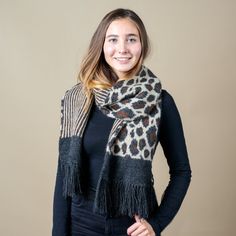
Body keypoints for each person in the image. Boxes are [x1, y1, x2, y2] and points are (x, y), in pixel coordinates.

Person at [52, 8, 191, 236]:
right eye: (113, 39)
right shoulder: (78, 99)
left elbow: (182, 171)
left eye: (131, 39)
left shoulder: (159, 102)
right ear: (102, 46)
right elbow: (64, 174)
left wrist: (156, 224)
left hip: (130, 226)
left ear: (142, 46)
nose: (122, 49)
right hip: (80, 223)